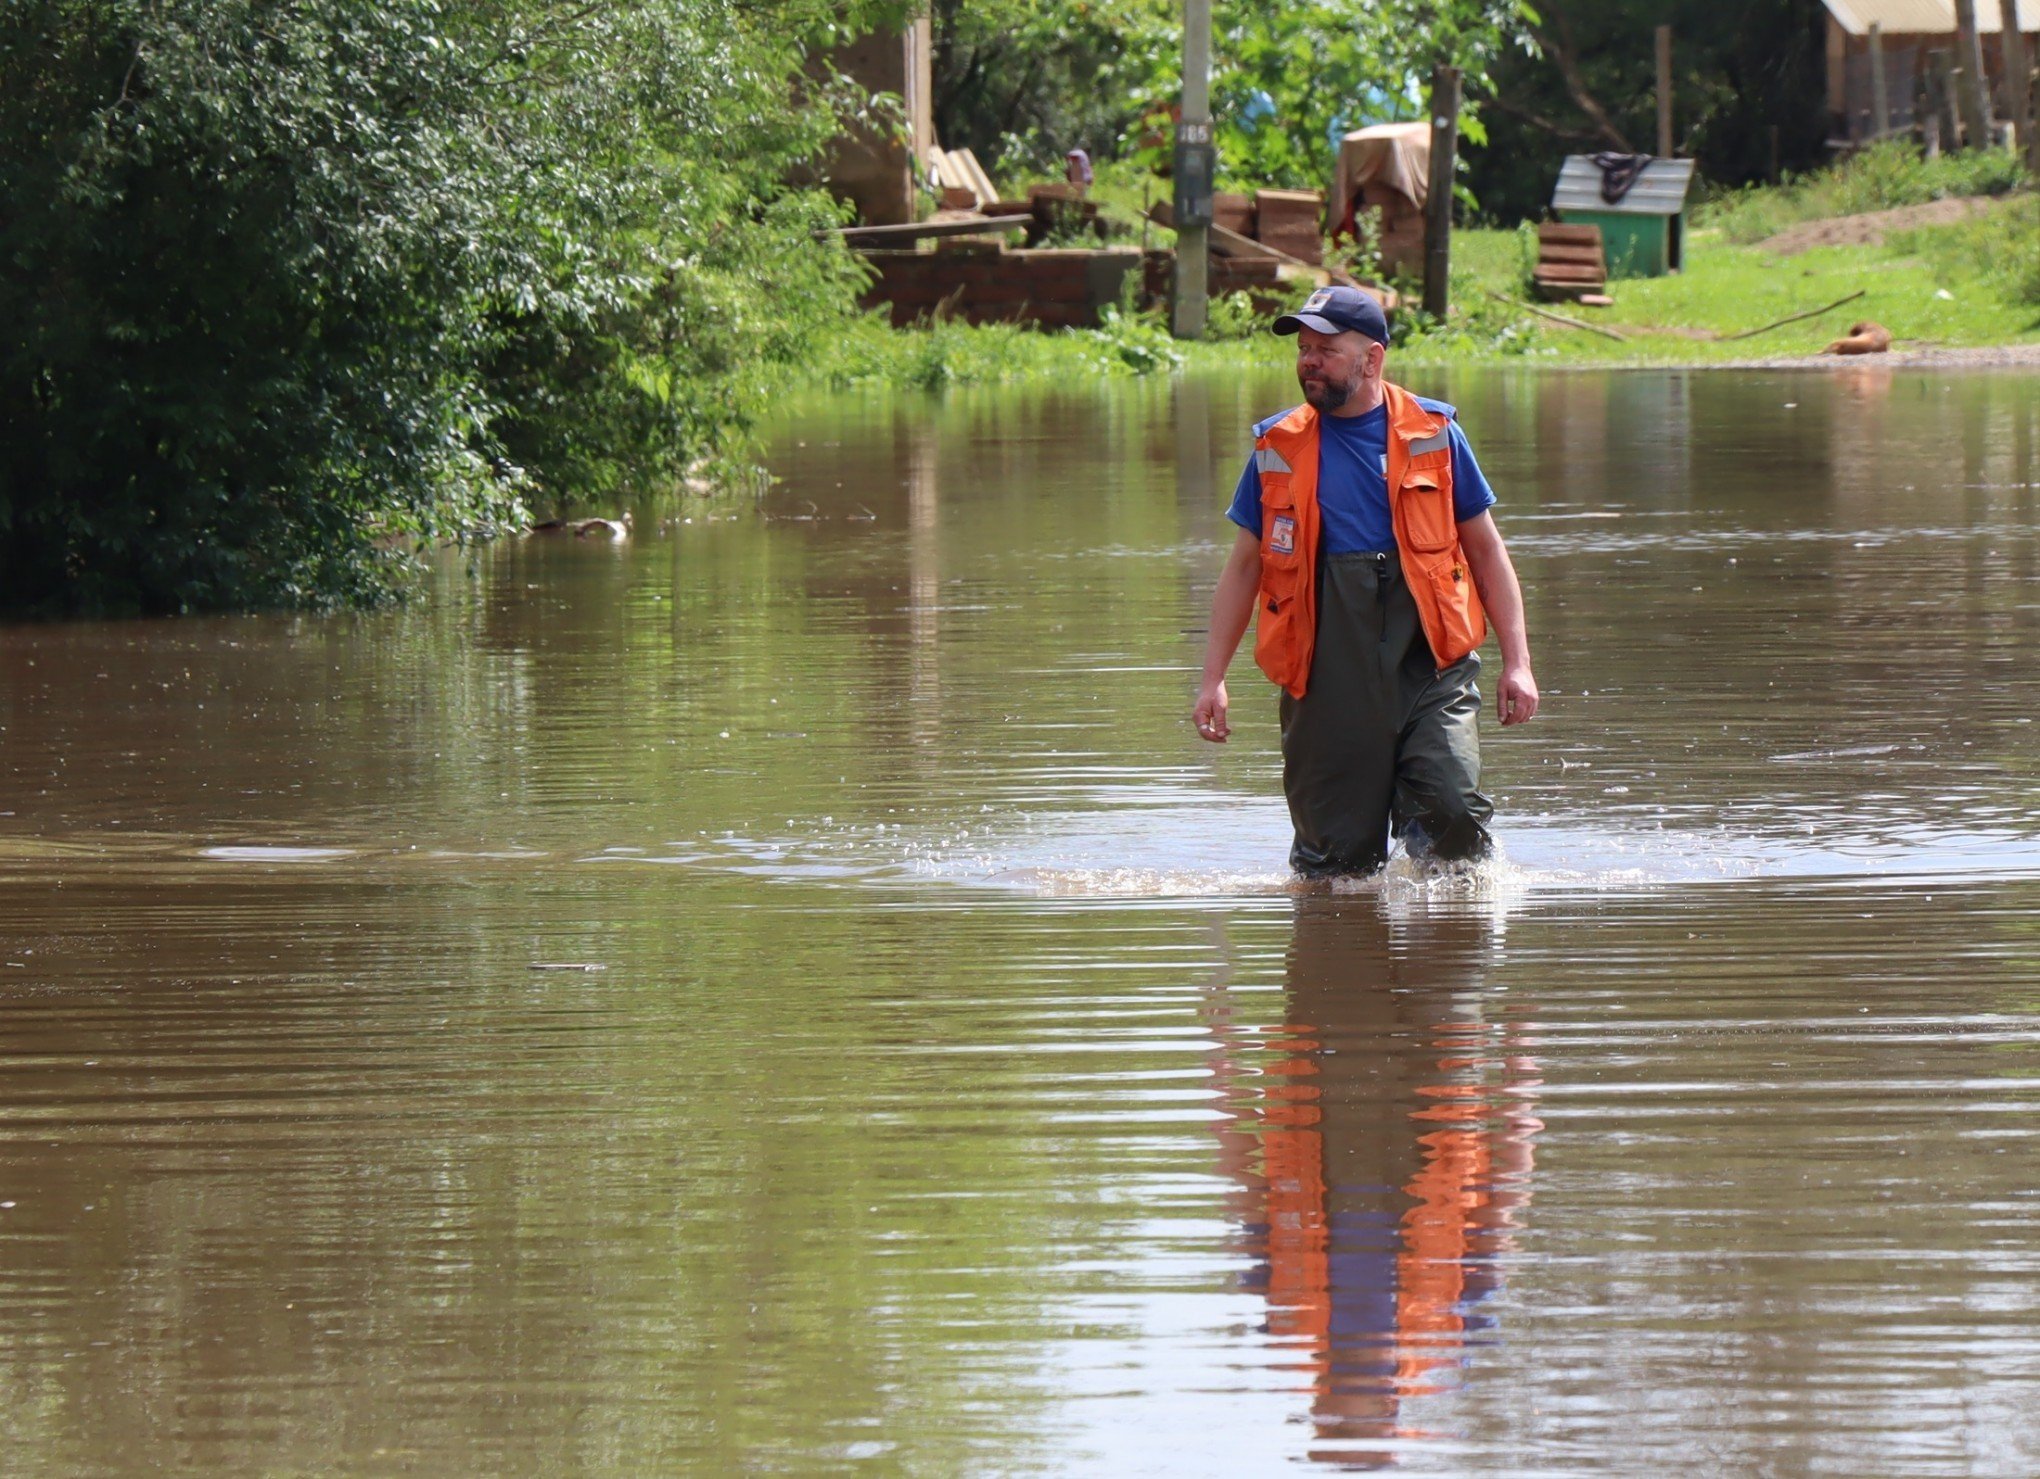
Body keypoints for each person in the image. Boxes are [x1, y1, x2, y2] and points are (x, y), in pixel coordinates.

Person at [1190, 285, 1538, 875]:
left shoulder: (1435, 435)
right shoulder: (1276, 447)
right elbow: (1244, 567)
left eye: (1325, 348)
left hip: (1430, 662)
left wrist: (1518, 662)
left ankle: (1448, 946)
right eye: (1303, 348)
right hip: (1322, 674)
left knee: (1452, 816)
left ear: (1372, 358)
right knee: (1335, 864)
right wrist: (1212, 679)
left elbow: (1486, 551)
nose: (1308, 360)